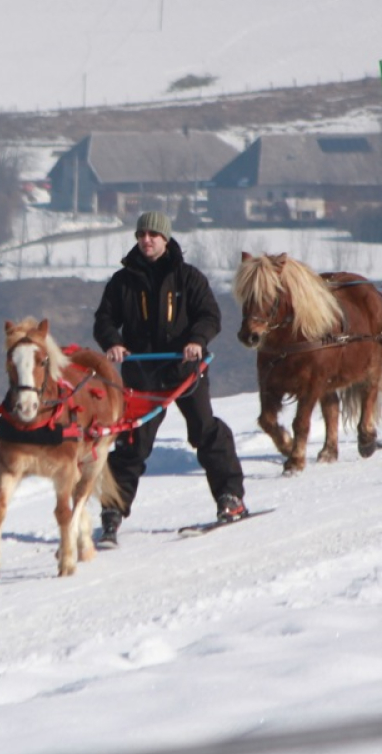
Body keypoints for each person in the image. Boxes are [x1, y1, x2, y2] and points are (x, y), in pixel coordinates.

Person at [92, 211, 248, 546]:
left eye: (153, 235)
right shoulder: (123, 282)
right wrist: (114, 344)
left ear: (165, 238)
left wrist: (197, 341)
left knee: (205, 431)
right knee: (132, 443)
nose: (146, 240)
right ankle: (112, 513)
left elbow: (210, 315)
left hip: (184, 371)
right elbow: (104, 320)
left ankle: (230, 497)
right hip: (142, 375)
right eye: (141, 235)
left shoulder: (188, 277)